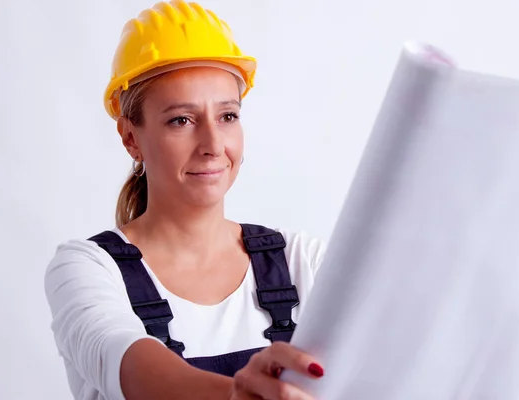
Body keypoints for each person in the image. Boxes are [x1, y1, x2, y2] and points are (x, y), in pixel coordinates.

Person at [44, 1, 327, 399]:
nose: (213, 145)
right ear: (131, 137)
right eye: (182, 120)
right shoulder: (86, 269)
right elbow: (133, 369)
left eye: (228, 116)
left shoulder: (300, 261)